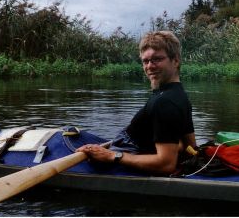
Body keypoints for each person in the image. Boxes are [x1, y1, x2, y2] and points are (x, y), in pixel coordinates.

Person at [76, 31, 196, 175]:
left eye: (157, 59)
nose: (150, 66)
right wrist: (175, 146)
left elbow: (166, 164)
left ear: (175, 61)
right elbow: (191, 146)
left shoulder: (164, 102)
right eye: (146, 61)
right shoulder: (179, 94)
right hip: (130, 145)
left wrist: (110, 155)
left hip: (127, 151)